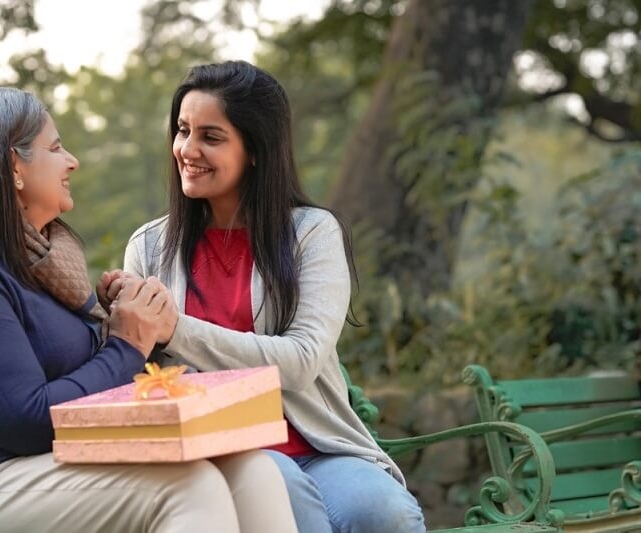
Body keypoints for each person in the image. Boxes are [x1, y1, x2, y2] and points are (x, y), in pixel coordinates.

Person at [0, 87, 297, 533]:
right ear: (15, 167)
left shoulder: (53, 270)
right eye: (55, 148)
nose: (71, 161)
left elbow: (102, 383)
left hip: (71, 466)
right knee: (189, 486)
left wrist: (127, 325)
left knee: (252, 471)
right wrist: (126, 344)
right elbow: (24, 423)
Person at [101, 61, 426, 533]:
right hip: (223, 451)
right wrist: (116, 314)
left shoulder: (311, 234)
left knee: (387, 513)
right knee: (285, 497)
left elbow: (301, 360)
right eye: (183, 130)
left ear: (255, 149)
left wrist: (173, 326)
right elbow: (137, 368)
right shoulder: (148, 247)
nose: (187, 150)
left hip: (318, 446)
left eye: (211, 137)